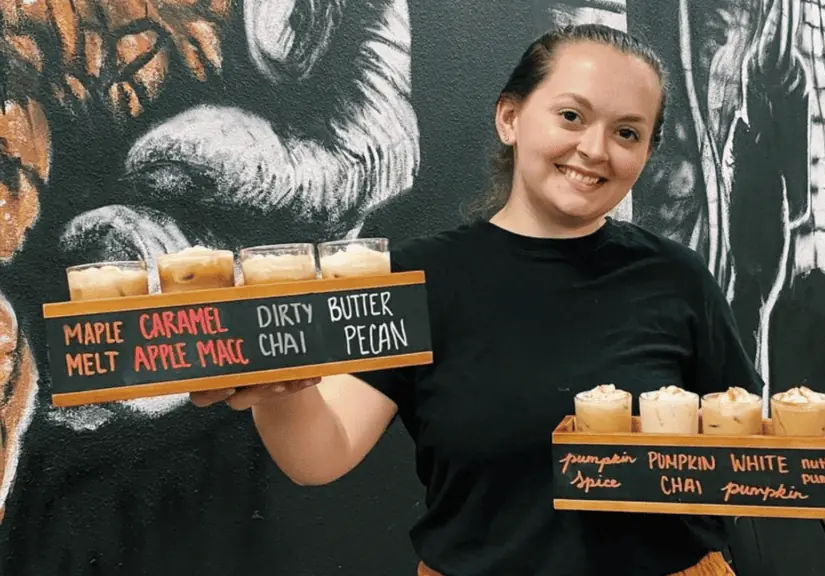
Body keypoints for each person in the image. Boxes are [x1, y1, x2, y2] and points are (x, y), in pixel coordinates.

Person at [192, 23, 762, 576]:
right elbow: (320, 454)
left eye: (628, 133)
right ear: (510, 118)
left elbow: (746, 466)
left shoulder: (678, 278)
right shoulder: (417, 278)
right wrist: (278, 382)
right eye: (571, 116)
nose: (595, 149)